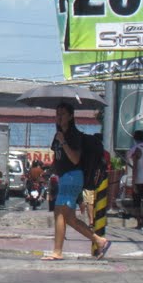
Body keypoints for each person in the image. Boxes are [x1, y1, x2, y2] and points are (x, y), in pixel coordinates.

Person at [44, 102, 111, 260]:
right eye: (57, 113)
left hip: (73, 176)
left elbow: (74, 159)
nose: (59, 117)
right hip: (64, 177)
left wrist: (63, 141)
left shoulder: (74, 135)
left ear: (71, 116)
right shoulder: (58, 135)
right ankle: (99, 240)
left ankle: (57, 252)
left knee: (59, 213)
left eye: (62, 114)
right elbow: (58, 159)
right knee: (70, 218)